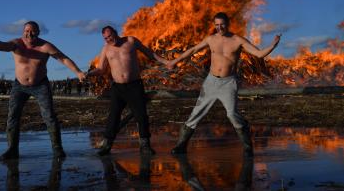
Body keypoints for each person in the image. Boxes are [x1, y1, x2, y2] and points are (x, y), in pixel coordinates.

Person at [167, 12, 281, 157]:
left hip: (228, 83)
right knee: (196, 113)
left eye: (222, 25)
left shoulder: (237, 40)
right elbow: (193, 50)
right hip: (211, 82)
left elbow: (259, 54)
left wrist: (273, 45)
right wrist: (174, 62)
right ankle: (181, 146)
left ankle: (247, 147)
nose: (219, 28)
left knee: (232, 114)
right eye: (216, 25)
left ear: (228, 24)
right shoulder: (211, 39)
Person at [0, 21, 85, 160]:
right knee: (13, 116)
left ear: (38, 32)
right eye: (26, 31)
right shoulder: (16, 44)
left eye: (32, 31)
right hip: (19, 86)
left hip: (40, 85)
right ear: (23, 31)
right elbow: (1, 46)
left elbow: (63, 58)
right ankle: (12, 150)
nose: (29, 33)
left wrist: (78, 72)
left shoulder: (45, 46)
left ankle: (58, 150)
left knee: (49, 116)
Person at [87, 26, 169, 156]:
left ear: (115, 33)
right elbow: (101, 69)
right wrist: (88, 74)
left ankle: (145, 146)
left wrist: (166, 62)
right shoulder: (106, 49)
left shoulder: (131, 41)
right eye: (106, 38)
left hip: (134, 86)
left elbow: (149, 53)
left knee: (141, 116)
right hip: (118, 88)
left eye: (110, 36)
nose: (108, 39)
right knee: (113, 117)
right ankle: (107, 145)